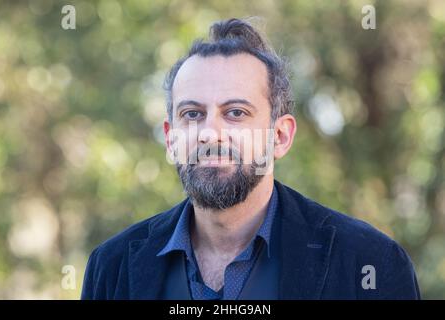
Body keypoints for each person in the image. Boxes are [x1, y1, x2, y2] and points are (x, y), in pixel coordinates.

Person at [81, 18, 420, 300]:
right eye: (193, 114)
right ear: (170, 138)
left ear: (280, 136)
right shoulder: (112, 267)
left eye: (236, 113)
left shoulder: (370, 262)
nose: (210, 134)